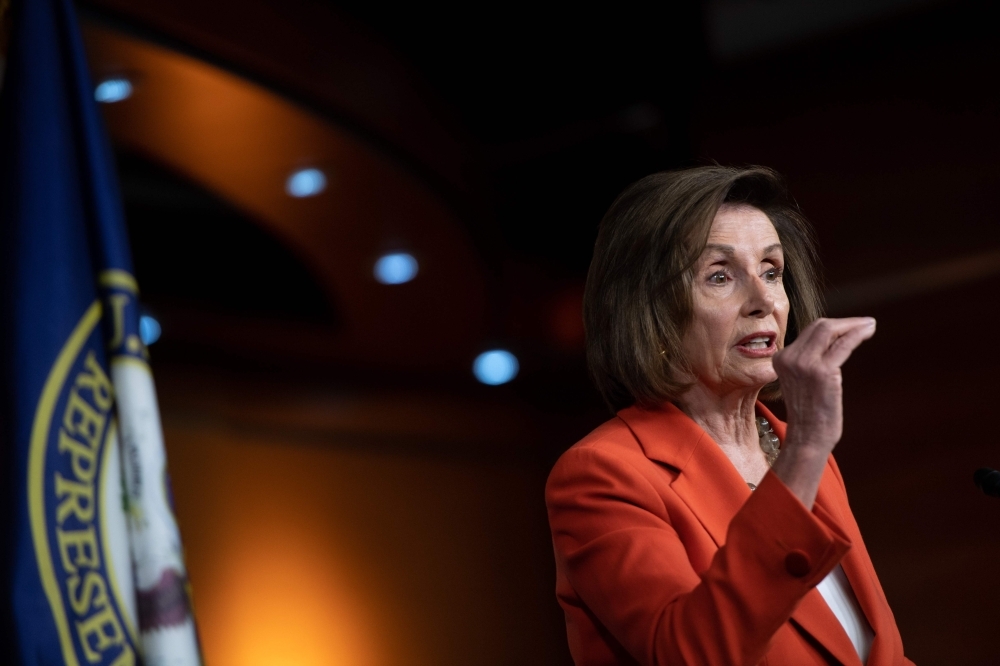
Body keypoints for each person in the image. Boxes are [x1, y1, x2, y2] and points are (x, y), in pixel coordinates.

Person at [545, 166, 914, 665]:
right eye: (719, 276)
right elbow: (694, 653)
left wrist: (804, 451)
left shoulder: (792, 447)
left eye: (771, 271)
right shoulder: (603, 475)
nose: (763, 302)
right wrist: (806, 451)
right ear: (649, 310)